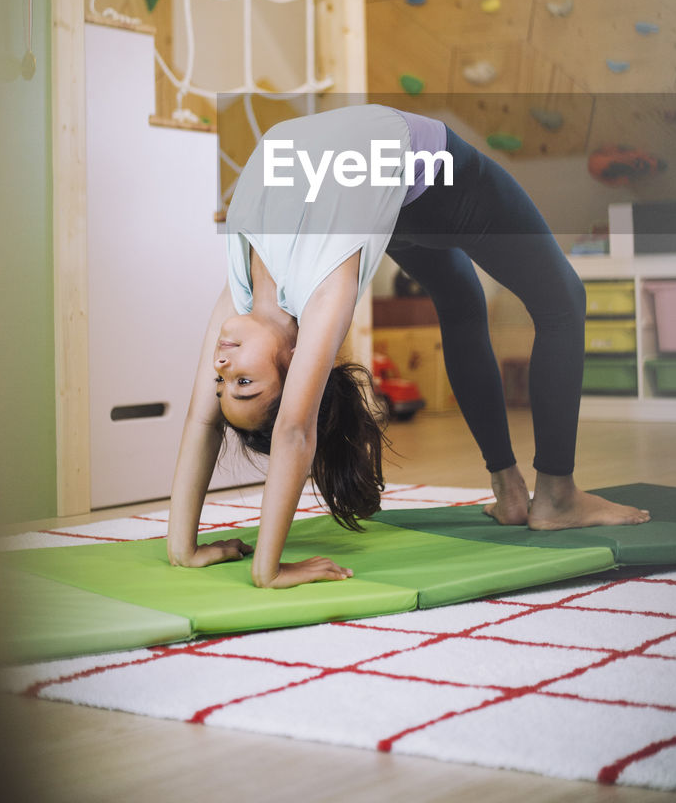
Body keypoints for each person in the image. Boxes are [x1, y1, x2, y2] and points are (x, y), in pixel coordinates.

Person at [167, 103, 650, 589]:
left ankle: (509, 491)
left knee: (460, 300)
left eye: (222, 379)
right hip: (429, 170)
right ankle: (557, 495)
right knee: (564, 301)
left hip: (392, 192)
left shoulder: (241, 292)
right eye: (243, 383)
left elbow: (200, 419)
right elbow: (295, 427)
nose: (223, 363)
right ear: (291, 363)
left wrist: (183, 549)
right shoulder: (326, 291)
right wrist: (267, 571)